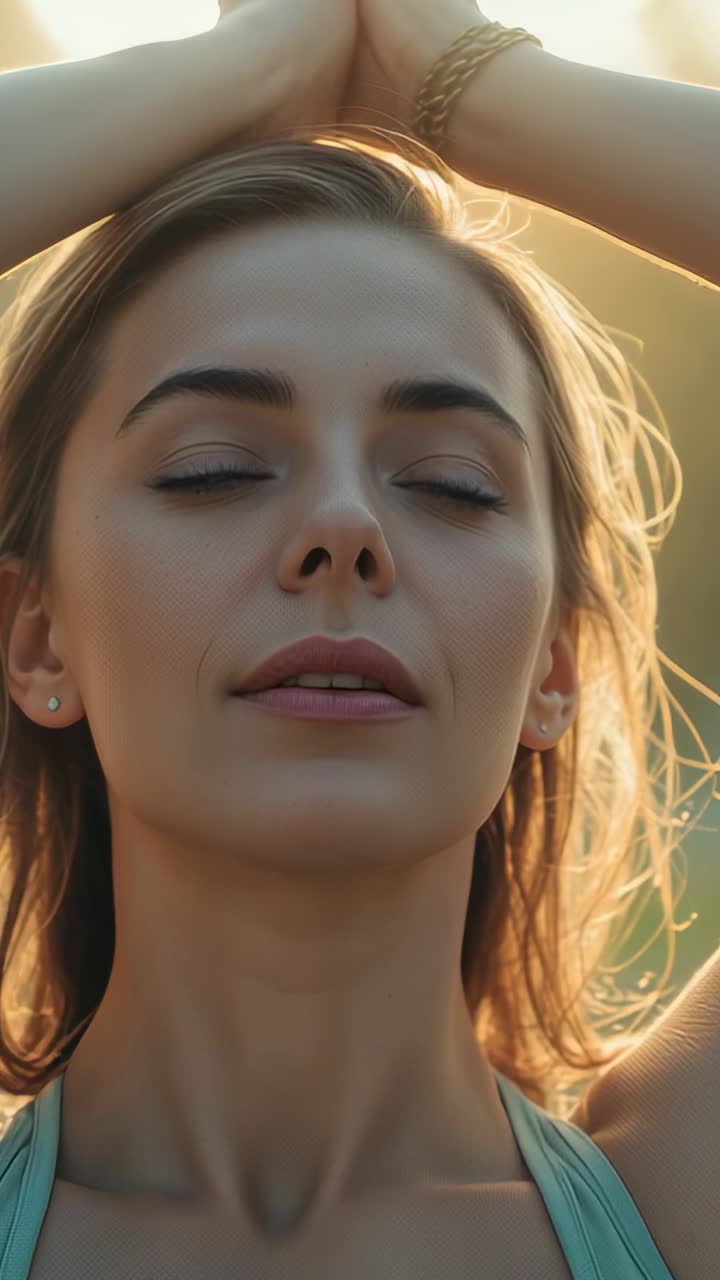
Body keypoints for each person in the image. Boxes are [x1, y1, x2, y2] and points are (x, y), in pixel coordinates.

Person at [0, 3, 716, 1277]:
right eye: (215, 469)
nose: (342, 525)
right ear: (35, 635)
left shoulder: (685, 1203)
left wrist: (463, 86)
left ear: (554, 662)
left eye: (450, 483)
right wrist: (251, 66)